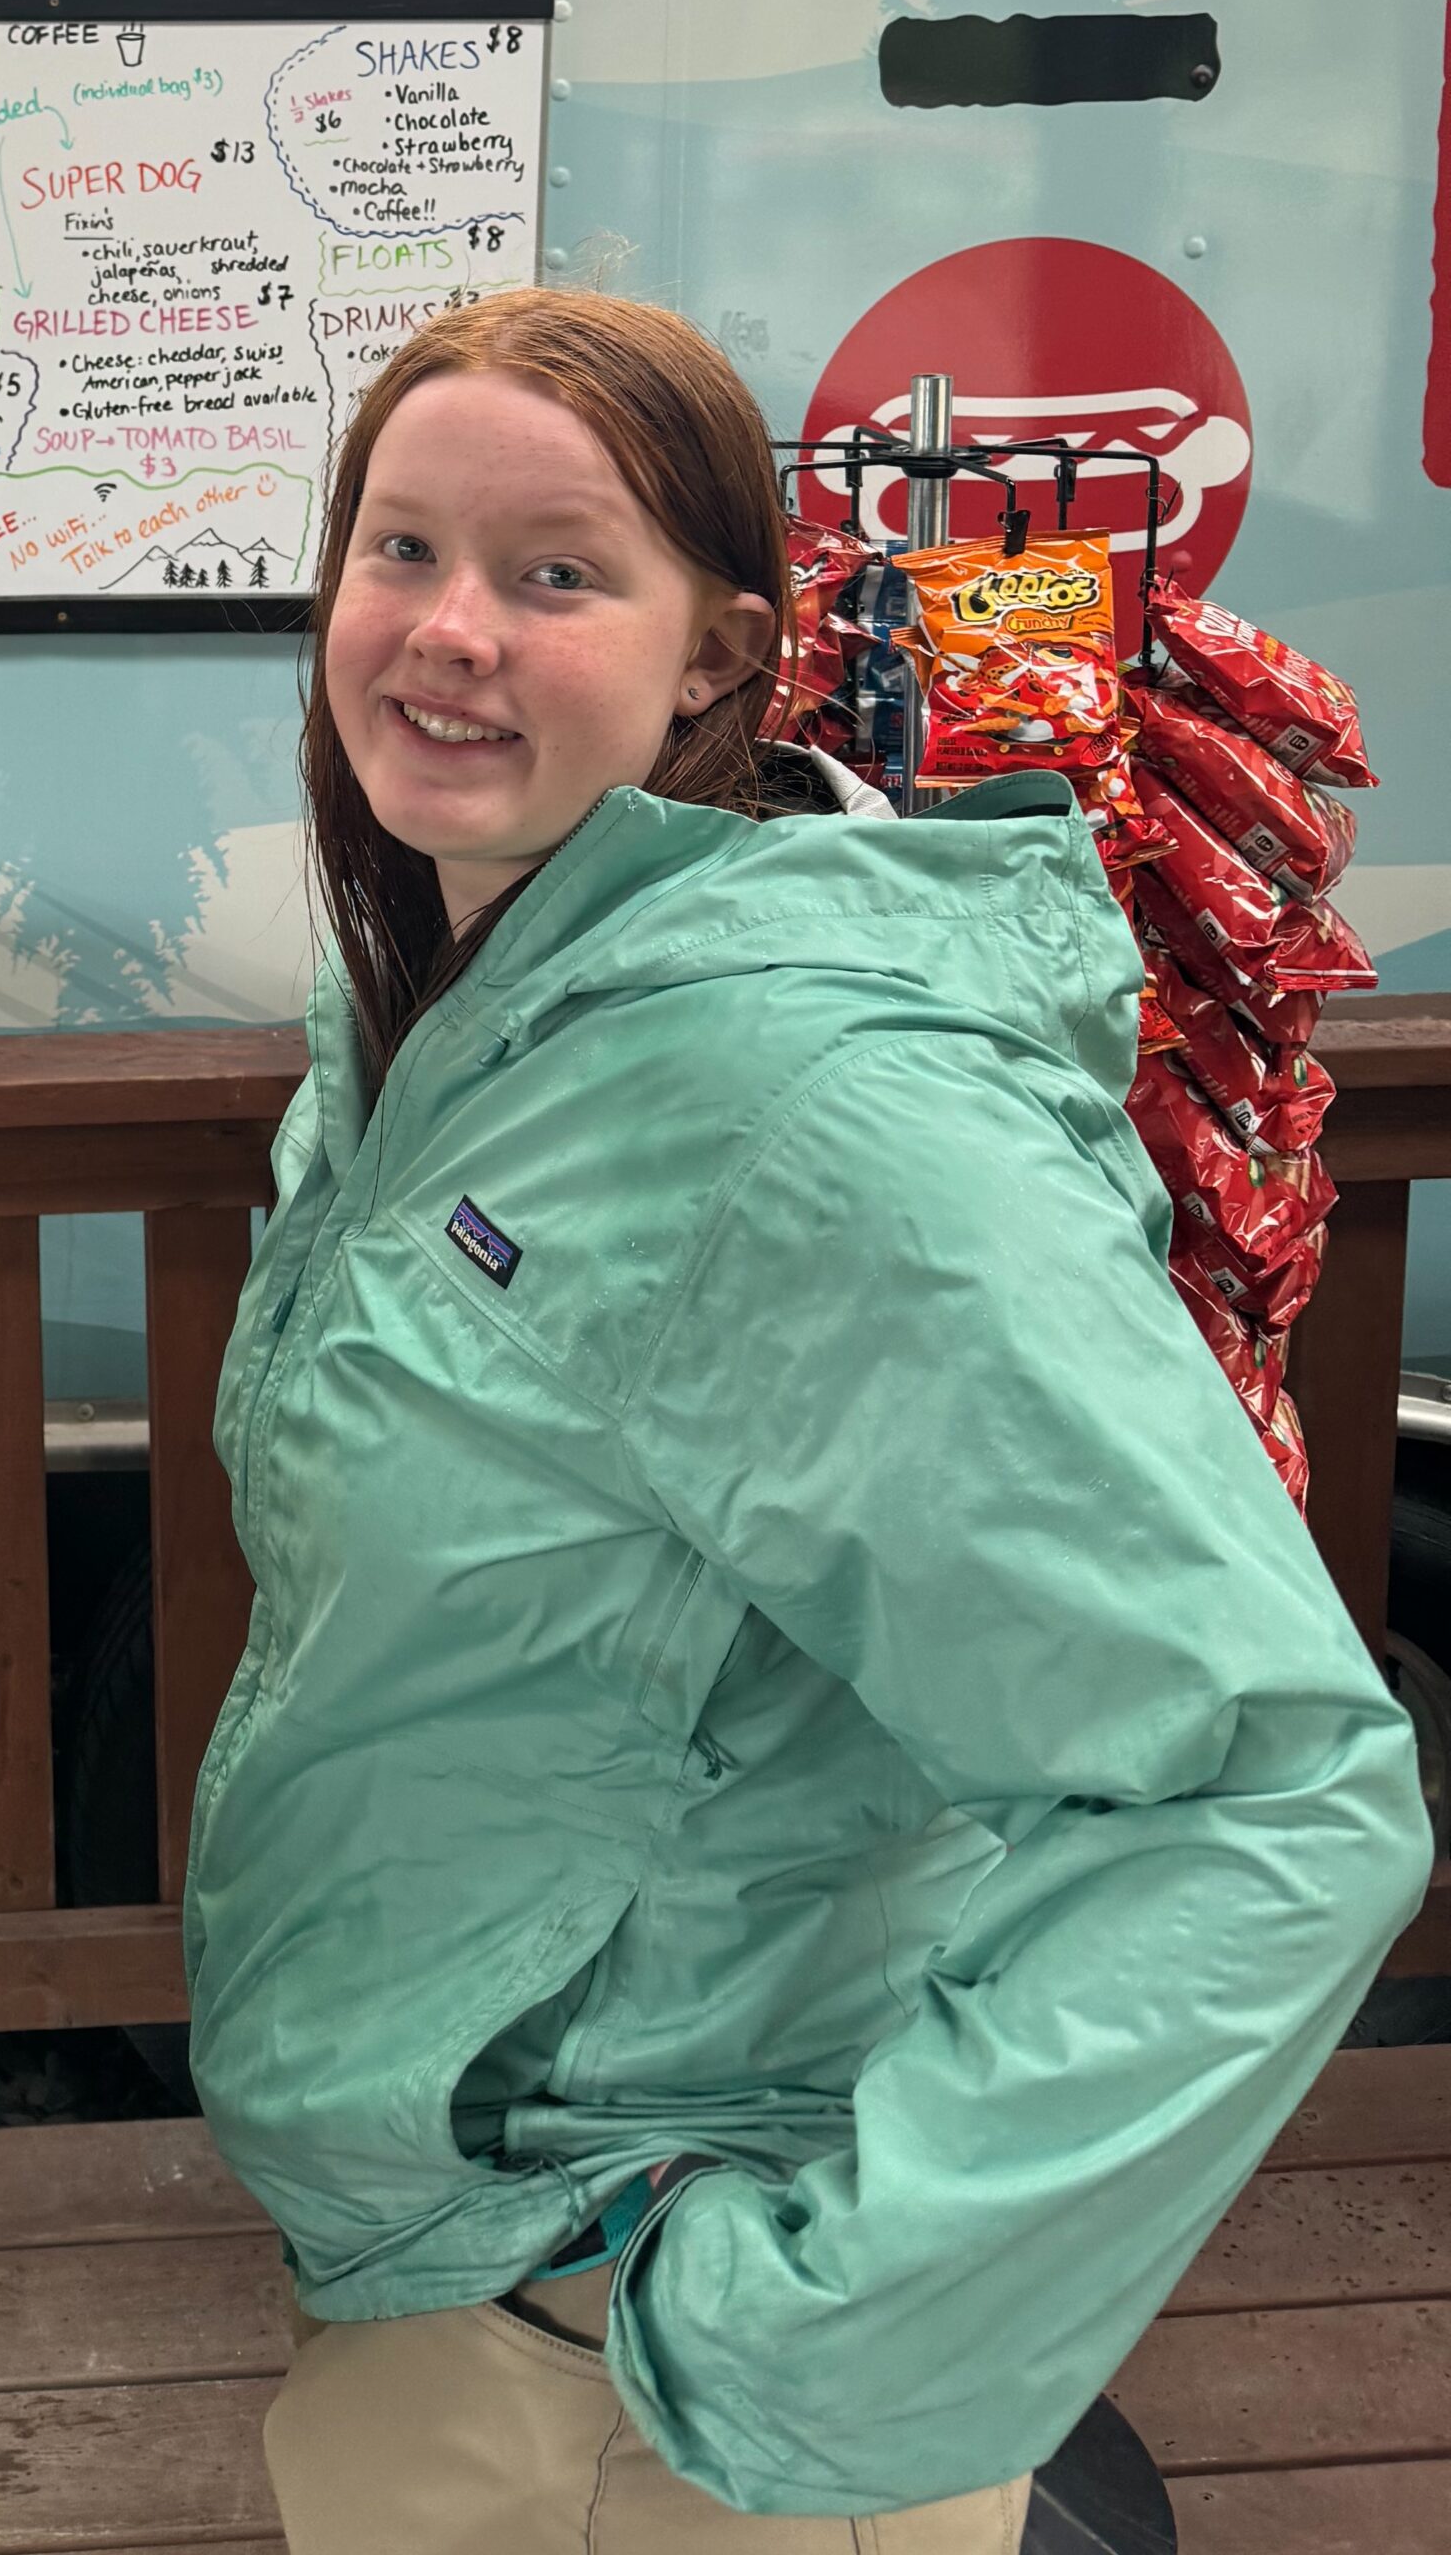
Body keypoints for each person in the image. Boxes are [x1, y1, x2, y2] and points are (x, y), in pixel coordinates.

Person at [181, 290, 1430, 2555]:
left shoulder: (814, 1106)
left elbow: (1267, 1794)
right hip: (447, 2303)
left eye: (558, 571)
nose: (450, 630)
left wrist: (797, 2348)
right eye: (402, 550)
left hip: (632, 2395)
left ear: (713, 654)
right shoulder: (455, 1015)